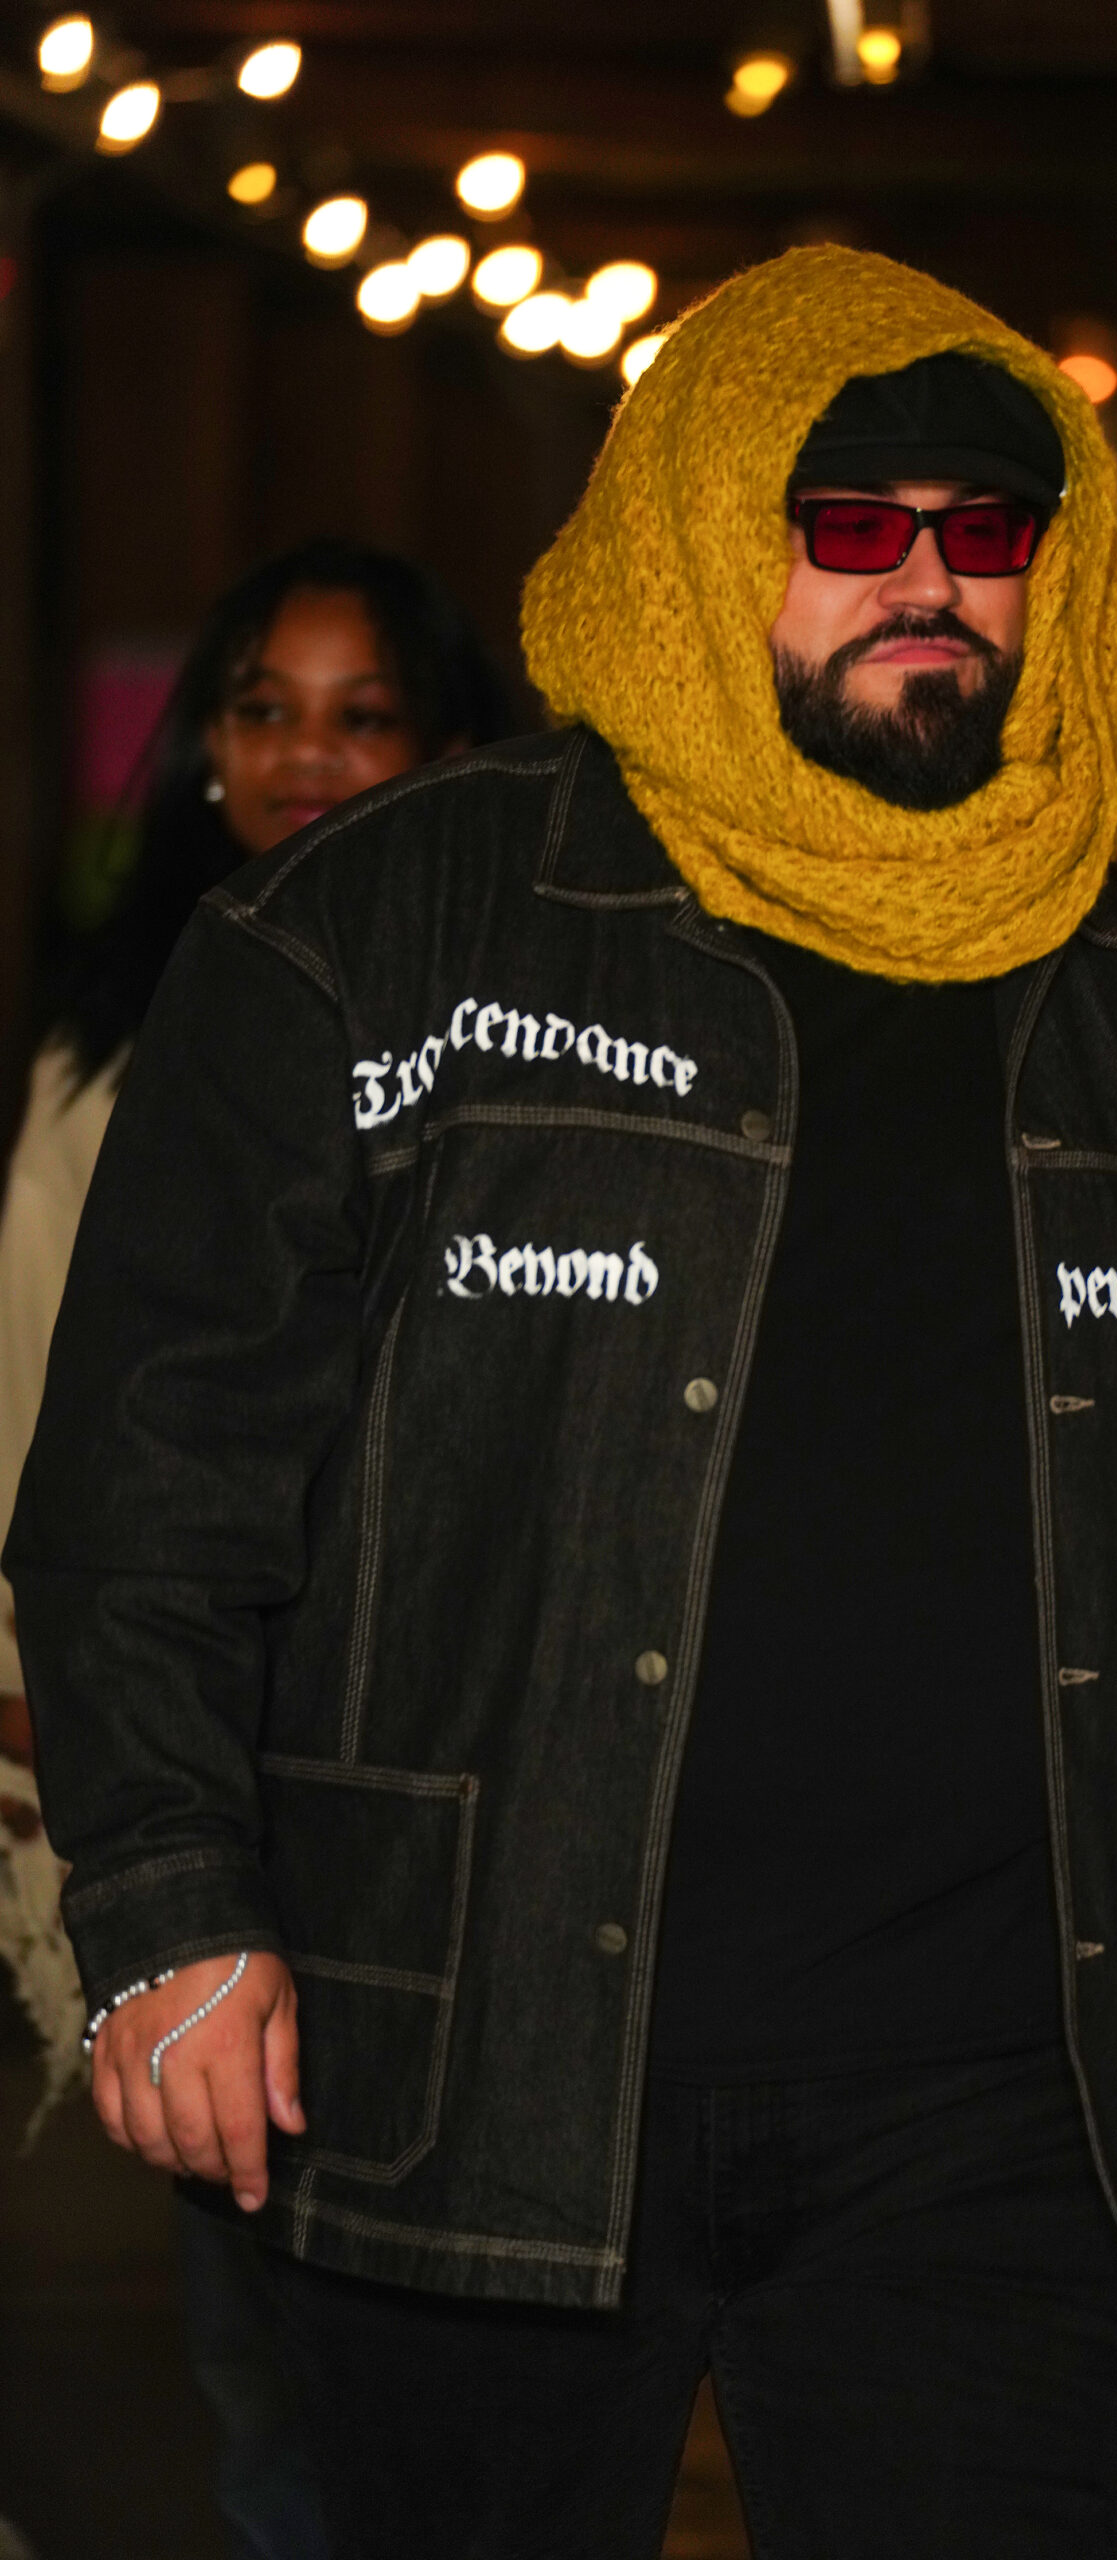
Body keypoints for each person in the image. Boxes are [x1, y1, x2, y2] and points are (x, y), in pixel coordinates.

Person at [6, 251, 1117, 2560]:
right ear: (700, 528)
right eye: (850, 523)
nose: (928, 582)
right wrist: (170, 1903)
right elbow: (152, 1472)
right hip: (465, 2061)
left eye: (986, 530)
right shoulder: (380, 930)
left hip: (1003, 2103)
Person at [0, 537, 513, 2560]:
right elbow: (46, 1437)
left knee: (471, 2369)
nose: (305, 756)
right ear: (205, 749)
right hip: (213, 1795)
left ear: (450, 751)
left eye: (360, 715)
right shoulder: (110, 1066)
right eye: (263, 710)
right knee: (272, 2347)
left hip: (471, 1798)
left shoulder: (535, 1042)